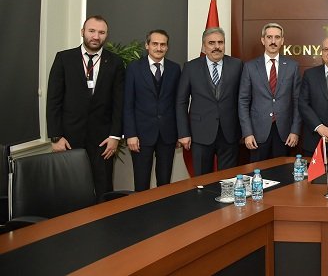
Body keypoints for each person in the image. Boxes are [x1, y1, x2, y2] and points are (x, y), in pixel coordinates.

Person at [47, 15, 125, 200]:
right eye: (91, 31)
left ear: (106, 35)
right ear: (82, 32)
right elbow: (53, 100)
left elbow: (119, 102)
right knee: (69, 189)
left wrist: (115, 136)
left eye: (101, 32)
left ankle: (104, 219)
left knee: (103, 187)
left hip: (103, 141)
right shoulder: (64, 58)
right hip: (69, 139)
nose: (96, 36)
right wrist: (56, 136)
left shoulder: (115, 62)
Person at [176, 27, 243, 175]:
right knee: (202, 180)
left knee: (228, 180)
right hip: (200, 133)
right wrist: (183, 133)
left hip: (229, 133)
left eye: (220, 42)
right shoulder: (190, 67)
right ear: (203, 46)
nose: (216, 47)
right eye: (211, 43)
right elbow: (181, 102)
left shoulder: (237, 65)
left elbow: (243, 99)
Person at [123, 29, 181, 191]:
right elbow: (128, 103)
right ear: (147, 45)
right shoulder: (134, 68)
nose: (159, 48)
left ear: (167, 47)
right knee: (141, 183)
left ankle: (164, 207)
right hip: (141, 136)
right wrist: (130, 134)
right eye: (155, 44)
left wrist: (179, 133)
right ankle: (142, 209)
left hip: (167, 135)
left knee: (164, 183)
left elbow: (178, 103)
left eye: (163, 44)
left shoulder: (175, 69)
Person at [239, 23, 301, 161]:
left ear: (282, 41)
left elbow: (297, 101)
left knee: (282, 171)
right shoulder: (250, 67)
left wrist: (295, 131)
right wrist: (247, 133)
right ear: (263, 40)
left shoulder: (292, 66)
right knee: (258, 171)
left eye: (277, 37)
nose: (273, 41)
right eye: (269, 37)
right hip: (257, 134)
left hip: (284, 134)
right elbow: (243, 102)